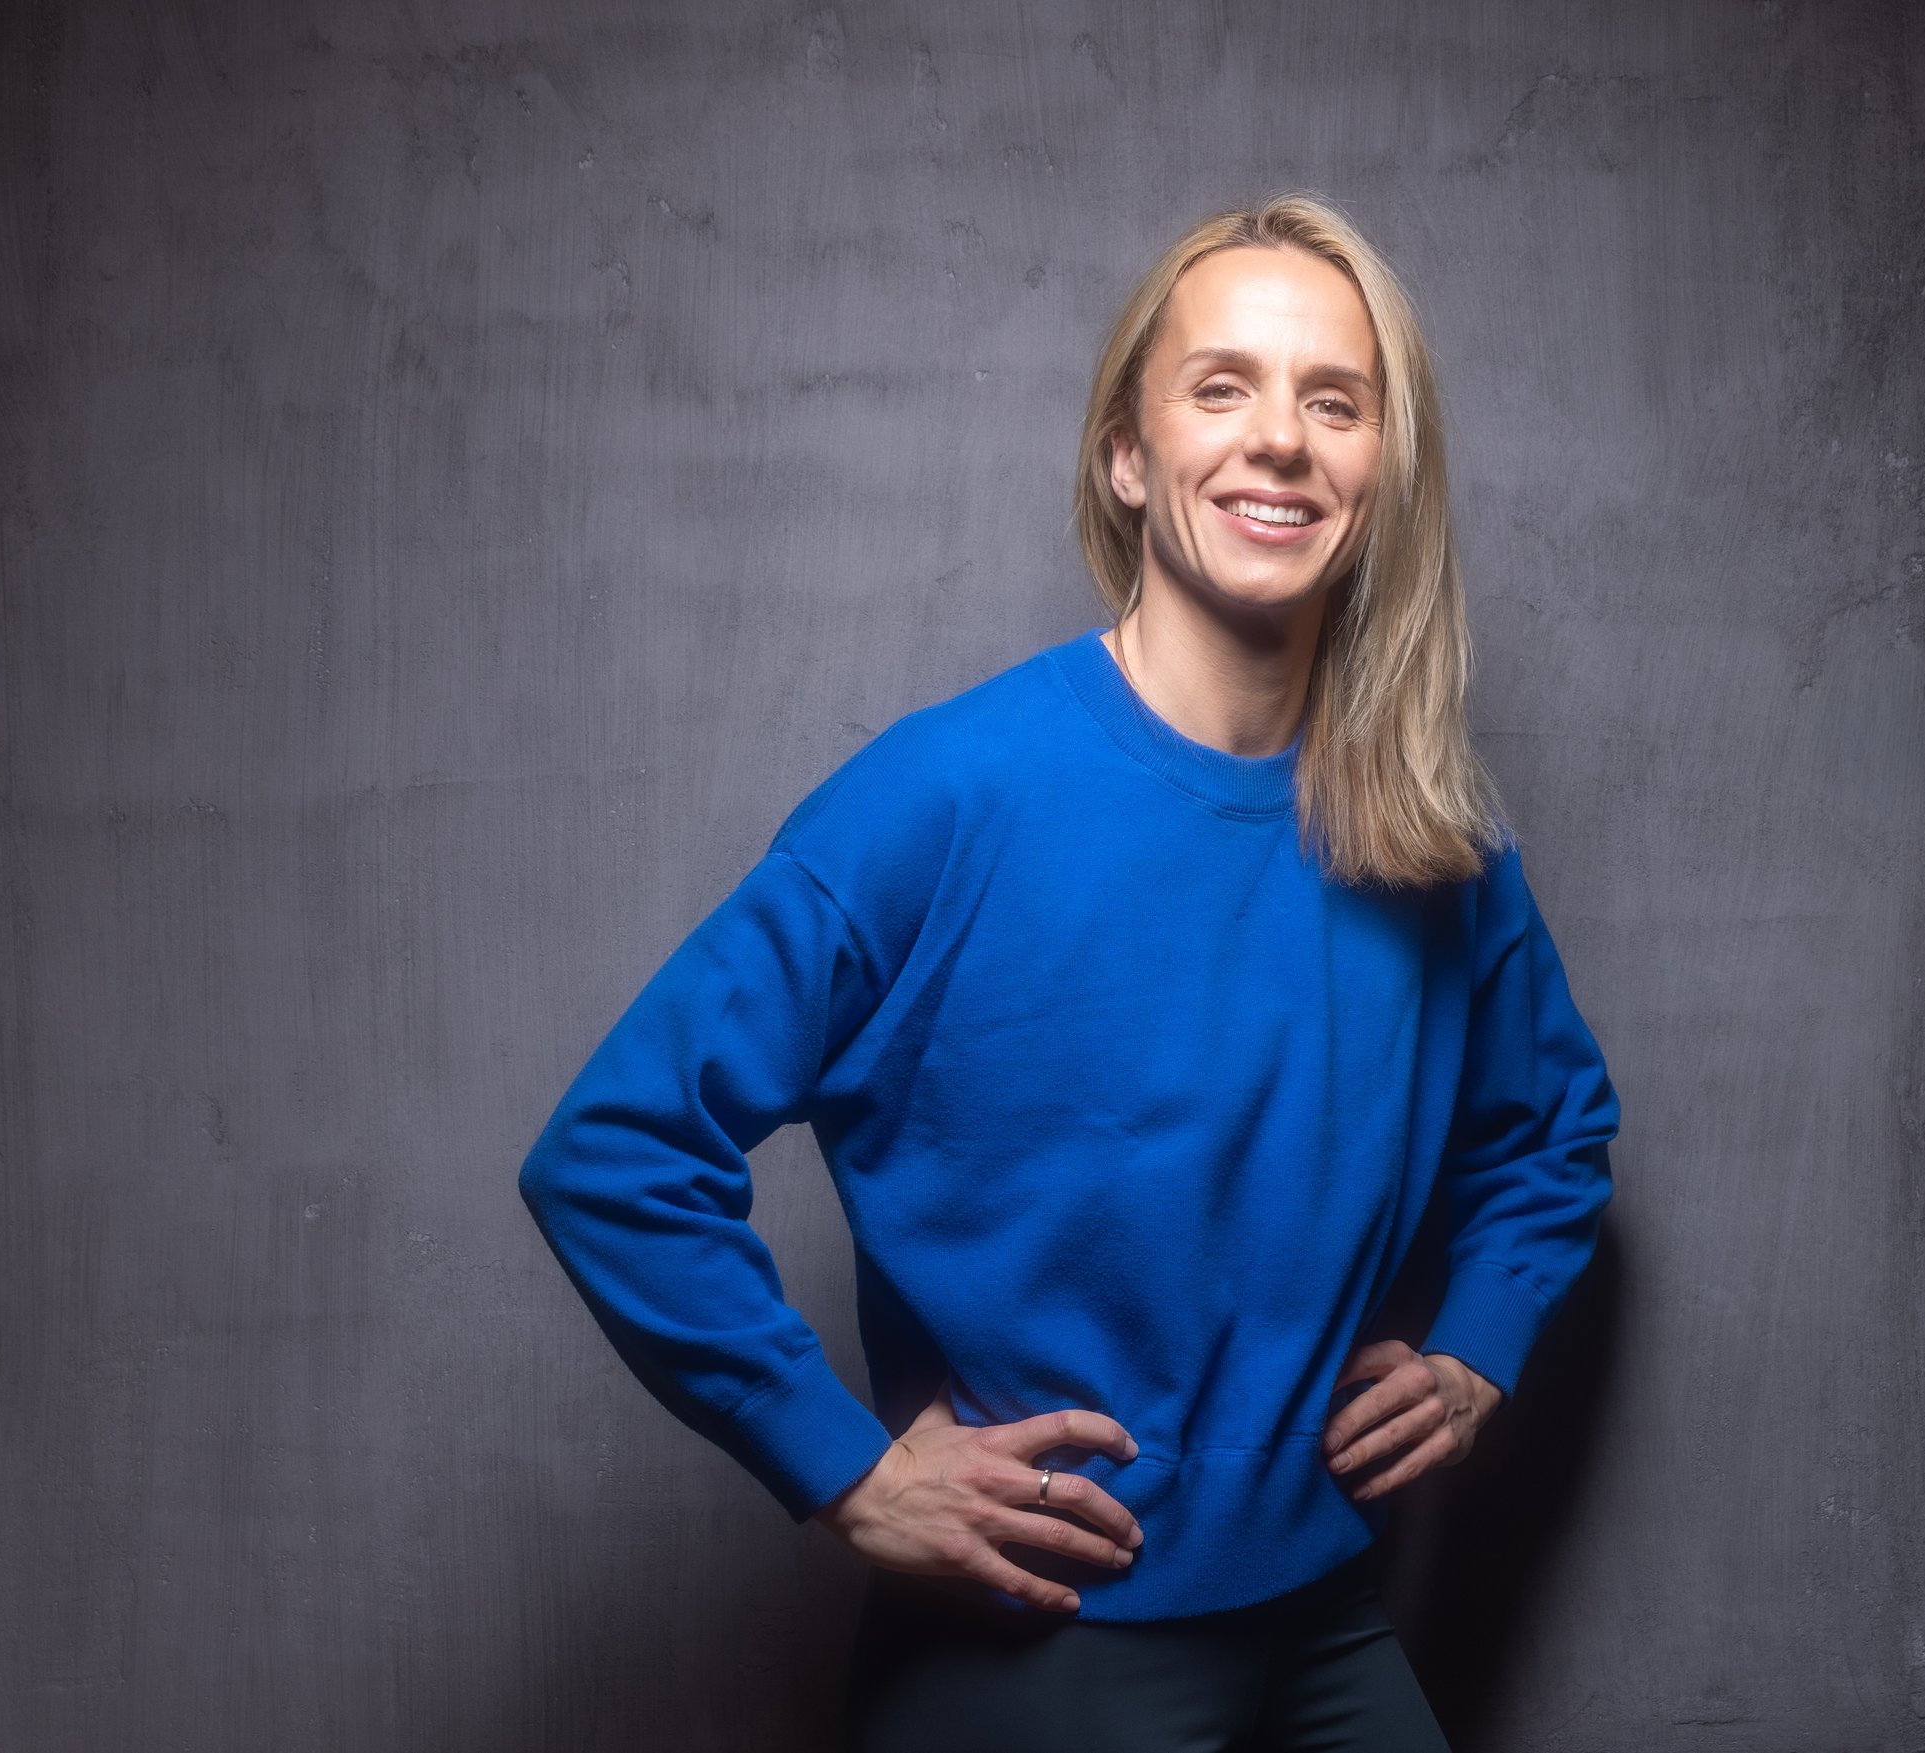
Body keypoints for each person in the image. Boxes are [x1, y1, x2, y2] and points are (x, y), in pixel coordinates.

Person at [518, 192, 1620, 1752]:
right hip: (1042, 1654)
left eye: (1336, 399)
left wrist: (1476, 1351)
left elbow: (1555, 1131)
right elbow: (614, 1150)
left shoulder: (1425, 824)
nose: (1283, 441)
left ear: (1383, 474)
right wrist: (843, 1464)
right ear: (1128, 454)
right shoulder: (944, 799)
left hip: (1324, 1622)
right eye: (1222, 386)